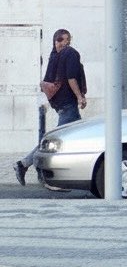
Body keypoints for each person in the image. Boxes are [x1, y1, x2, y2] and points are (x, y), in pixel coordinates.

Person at [15, 29, 87, 186]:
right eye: (62, 40)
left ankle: (63, 174)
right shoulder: (70, 53)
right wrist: (80, 97)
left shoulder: (54, 56)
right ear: (56, 41)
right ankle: (26, 165)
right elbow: (71, 78)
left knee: (73, 138)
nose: (65, 42)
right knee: (54, 141)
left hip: (61, 103)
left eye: (67, 39)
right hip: (68, 104)